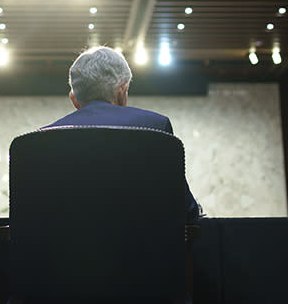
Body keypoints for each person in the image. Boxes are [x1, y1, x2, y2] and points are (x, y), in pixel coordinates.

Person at [45, 45, 201, 223]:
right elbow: (184, 210)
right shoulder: (154, 127)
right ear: (122, 91)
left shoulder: (43, 138)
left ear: (74, 99)